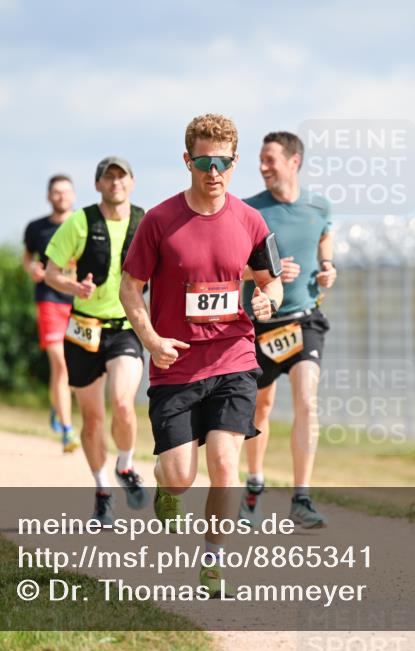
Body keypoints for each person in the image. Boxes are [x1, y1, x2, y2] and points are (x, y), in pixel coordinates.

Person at [120, 113, 283, 595]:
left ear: (235, 163)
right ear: (188, 160)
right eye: (206, 162)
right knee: (178, 477)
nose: (215, 173)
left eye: (225, 163)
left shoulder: (251, 221)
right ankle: (166, 491)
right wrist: (151, 340)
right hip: (175, 365)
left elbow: (270, 283)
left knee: (225, 464)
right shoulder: (159, 221)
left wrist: (266, 300)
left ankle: (212, 560)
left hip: (233, 358)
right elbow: (131, 288)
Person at [239, 131, 337, 529]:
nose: (263, 167)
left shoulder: (319, 206)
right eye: (261, 160)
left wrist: (328, 268)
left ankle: (301, 498)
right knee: (260, 407)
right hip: (263, 324)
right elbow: (236, 270)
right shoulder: (250, 211)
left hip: (305, 318)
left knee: (307, 400)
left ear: (293, 162)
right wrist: (269, 275)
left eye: (270, 159)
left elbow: (325, 239)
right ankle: (254, 488)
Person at [44, 157, 148, 523]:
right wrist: (73, 286)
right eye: (109, 177)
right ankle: (102, 489)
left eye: (122, 177)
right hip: (84, 328)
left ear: (132, 183)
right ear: (98, 184)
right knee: (91, 419)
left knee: (122, 401)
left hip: (124, 327)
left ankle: (126, 465)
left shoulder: (144, 222)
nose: (116, 183)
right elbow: (50, 272)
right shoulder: (80, 222)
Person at [23, 174, 79, 452]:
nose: (61, 197)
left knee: (72, 364)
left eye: (65, 192)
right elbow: (28, 257)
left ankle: (59, 406)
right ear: (49, 196)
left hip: (78, 303)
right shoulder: (36, 228)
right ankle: (68, 431)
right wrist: (32, 269)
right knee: (59, 361)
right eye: (56, 192)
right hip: (48, 299)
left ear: (74, 196)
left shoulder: (83, 225)